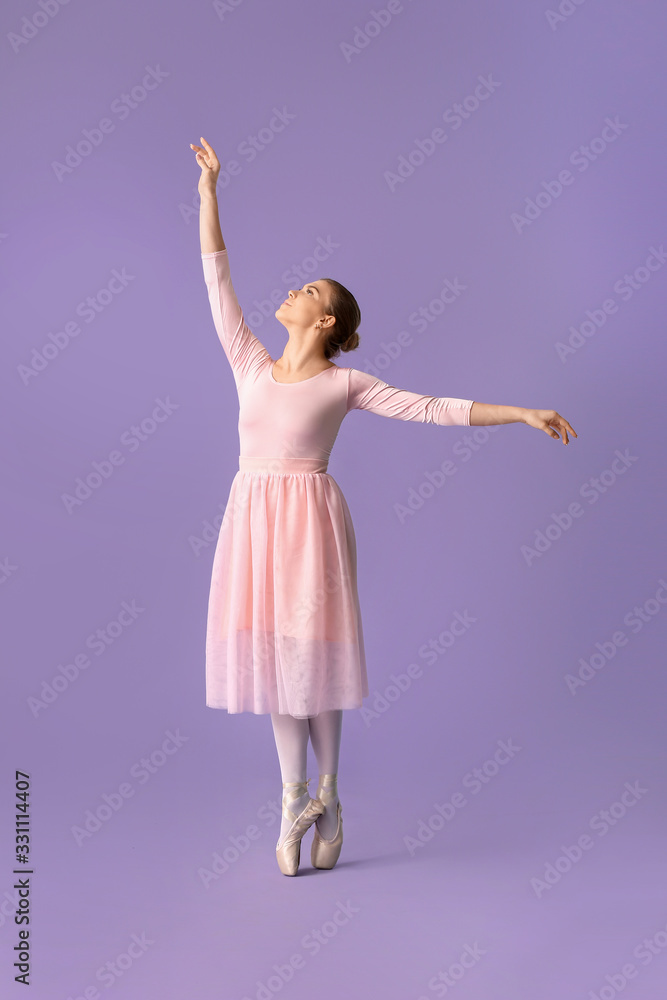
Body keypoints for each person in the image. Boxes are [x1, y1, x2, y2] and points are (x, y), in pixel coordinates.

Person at [190, 136, 577, 877]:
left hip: (309, 520)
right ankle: (290, 798)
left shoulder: (347, 384)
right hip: (252, 517)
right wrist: (210, 193)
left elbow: (432, 408)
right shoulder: (249, 361)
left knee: (314, 654)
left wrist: (520, 412)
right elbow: (215, 280)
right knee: (275, 657)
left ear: (326, 321)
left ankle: (329, 796)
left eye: (309, 291)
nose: (295, 292)